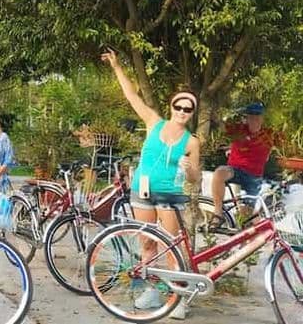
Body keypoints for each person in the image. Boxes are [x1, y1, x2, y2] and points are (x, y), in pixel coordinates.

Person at [102, 49, 201, 320]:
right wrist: (117, 67)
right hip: (142, 190)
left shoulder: (192, 142)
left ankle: (177, 296)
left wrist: (188, 166)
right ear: (171, 107)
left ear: (191, 113)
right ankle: (152, 291)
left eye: (187, 109)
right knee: (147, 244)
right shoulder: (154, 123)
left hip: (170, 193)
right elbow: (131, 96)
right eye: (178, 107)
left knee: (171, 246)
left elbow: (195, 178)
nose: (182, 112)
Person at [210, 102, 282, 225]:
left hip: (254, 177)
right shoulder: (239, 130)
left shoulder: (269, 135)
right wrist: (213, 113)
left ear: (262, 118)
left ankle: (245, 235)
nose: (254, 120)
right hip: (236, 170)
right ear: (247, 118)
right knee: (219, 173)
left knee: (249, 217)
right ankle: (218, 214)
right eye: (251, 117)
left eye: (257, 116)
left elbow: (282, 150)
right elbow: (222, 126)